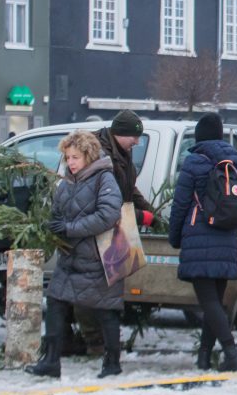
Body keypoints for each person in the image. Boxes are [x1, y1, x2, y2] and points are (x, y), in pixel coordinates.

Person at [26, 130, 124, 379]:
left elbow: (108, 215)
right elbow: (58, 211)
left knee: (106, 309)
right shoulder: (67, 181)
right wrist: (55, 227)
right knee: (55, 303)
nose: (70, 162)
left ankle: (112, 363)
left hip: (98, 259)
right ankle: (50, 361)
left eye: (75, 157)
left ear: (88, 156)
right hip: (70, 257)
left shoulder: (105, 179)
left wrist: (70, 229)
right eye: (68, 157)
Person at [65, 110, 157, 358]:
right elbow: (104, 200)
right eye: (134, 137)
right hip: (94, 229)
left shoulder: (122, 151)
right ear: (120, 133)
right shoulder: (98, 155)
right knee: (89, 288)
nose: (137, 142)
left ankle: (105, 341)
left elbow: (129, 187)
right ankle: (94, 342)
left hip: (114, 228)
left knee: (108, 287)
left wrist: (149, 210)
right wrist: (140, 217)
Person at [169, 112, 237, 371]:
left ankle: (232, 354)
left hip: (199, 238)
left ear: (199, 136)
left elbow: (181, 204)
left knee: (208, 302)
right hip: (227, 238)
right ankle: (204, 357)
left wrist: (175, 237)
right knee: (214, 302)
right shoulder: (234, 161)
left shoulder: (194, 162)